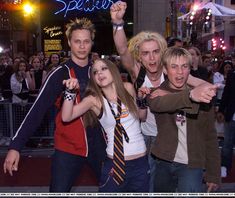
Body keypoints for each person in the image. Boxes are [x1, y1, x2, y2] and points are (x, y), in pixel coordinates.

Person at [110, 1, 212, 192]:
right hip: (146, 138)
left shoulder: (173, 71)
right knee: (149, 188)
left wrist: (188, 93)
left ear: (163, 53)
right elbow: (123, 49)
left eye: (156, 52)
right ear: (139, 57)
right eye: (146, 53)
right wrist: (117, 23)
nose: (152, 58)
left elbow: (206, 87)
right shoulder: (137, 71)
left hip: (174, 137)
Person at [3, 18, 106, 192]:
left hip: (100, 146)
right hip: (68, 148)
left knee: (113, 190)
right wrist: (15, 146)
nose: (82, 46)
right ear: (69, 43)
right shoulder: (59, 74)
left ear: (91, 43)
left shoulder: (99, 72)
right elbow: (36, 111)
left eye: (86, 41)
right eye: (77, 41)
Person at [62, 58, 149, 192]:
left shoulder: (128, 88)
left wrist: (143, 101)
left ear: (113, 70)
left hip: (140, 164)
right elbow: (66, 117)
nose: (100, 74)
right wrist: (70, 92)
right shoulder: (94, 100)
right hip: (115, 166)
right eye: (95, 72)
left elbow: (142, 117)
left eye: (104, 68)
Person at [145, 47, 220, 193]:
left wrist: (213, 174)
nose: (180, 72)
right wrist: (190, 96)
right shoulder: (156, 93)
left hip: (192, 164)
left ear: (189, 69)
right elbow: (160, 104)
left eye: (184, 66)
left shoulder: (203, 96)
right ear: (165, 70)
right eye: (174, 66)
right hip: (162, 161)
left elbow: (210, 137)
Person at [217, 69, 235, 178]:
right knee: (227, 144)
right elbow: (226, 93)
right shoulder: (232, 74)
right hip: (231, 115)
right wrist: (221, 110)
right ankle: (224, 166)